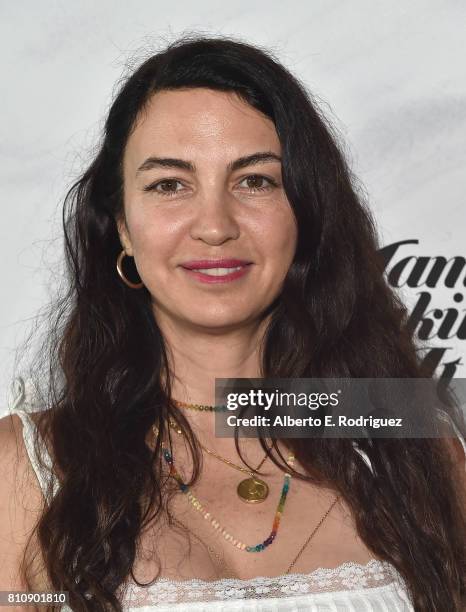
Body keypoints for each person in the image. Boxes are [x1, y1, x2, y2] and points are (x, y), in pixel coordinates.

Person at [0, 34, 465, 612]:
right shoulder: (26, 471)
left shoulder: (411, 443)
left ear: (305, 212)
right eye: (169, 184)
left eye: (255, 180)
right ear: (120, 224)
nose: (215, 225)